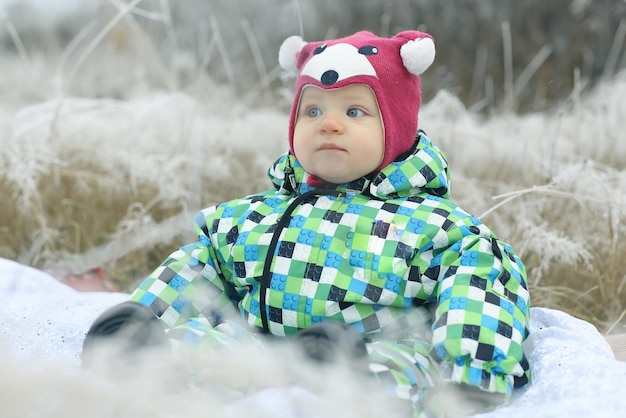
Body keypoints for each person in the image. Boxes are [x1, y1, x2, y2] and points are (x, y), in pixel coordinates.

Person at [83, 30, 531, 417]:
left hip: (370, 350)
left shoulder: (433, 226)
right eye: (313, 112)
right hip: (259, 346)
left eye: (354, 113)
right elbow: (202, 267)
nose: (329, 125)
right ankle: (144, 360)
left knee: (398, 371)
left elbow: (481, 281)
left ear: (395, 131)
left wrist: (475, 368)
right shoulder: (255, 214)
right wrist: (148, 317)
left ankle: (336, 385)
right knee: (199, 344)